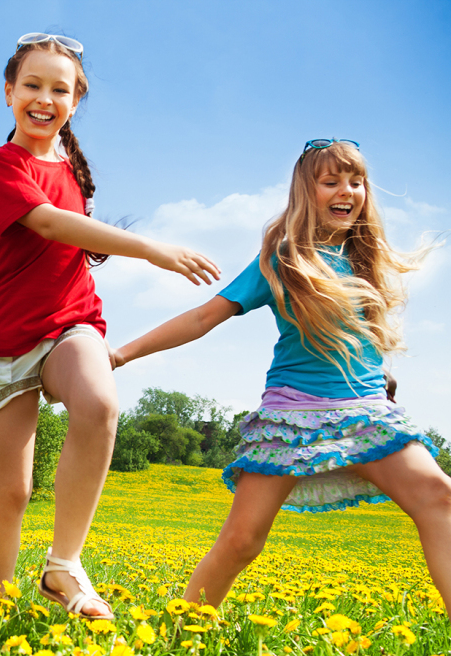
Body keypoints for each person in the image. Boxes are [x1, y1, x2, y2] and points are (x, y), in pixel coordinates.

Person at [111, 139, 448, 608]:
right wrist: (123, 354)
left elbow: (360, 336)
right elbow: (202, 318)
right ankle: (183, 628)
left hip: (367, 415)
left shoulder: (367, 260)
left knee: (439, 497)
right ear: (306, 193)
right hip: (295, 417)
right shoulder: (282, 261)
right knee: (243, 541)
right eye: (331, 182)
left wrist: (382, 378)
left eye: (355, 182)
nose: (345, 191)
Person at [0, 33, 220, 620]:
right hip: (4, 342)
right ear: (9, 92)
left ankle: (63, 565)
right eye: (32, 85)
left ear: (75, 101)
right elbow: (51, 225)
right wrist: (149, 249)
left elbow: (69, 234)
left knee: (100, 404)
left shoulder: (74, 172)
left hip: (70, 324)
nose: (44, 98)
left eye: (60, 88)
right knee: (12, 490)